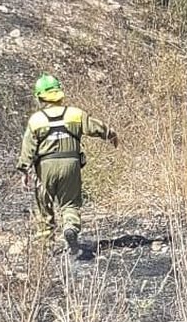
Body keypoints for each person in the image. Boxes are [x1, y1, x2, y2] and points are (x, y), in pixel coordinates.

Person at [16, 74, 115, 255]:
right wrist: (110, 134)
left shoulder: (36, 120)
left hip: (45, 166)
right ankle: (70, 227)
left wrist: (24, 170)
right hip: (71, 164)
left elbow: (27, 148)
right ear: (60, 94)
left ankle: (47, 246)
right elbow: (96, 127)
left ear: (39, 97)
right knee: (70, 203)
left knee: (45, 206)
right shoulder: (75, 114)